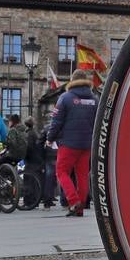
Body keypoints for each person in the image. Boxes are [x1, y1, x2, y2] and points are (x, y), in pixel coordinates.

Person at [46, 69, 97, 216]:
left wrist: (50, 138)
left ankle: (74, 201)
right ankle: (79, 209)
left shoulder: (65, 98)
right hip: (87, 144)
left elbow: (56, 121)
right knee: (82, 175)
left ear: (72, 81)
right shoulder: (94, 99)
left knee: (61, 171)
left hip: (68, 143)